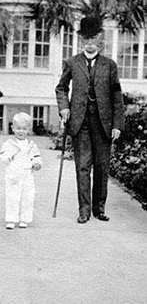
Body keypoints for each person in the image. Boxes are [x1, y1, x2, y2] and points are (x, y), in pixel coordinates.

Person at [56, 16, 125, 224]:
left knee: (102, 167)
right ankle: (84, 210)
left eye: (93, 38)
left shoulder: (109, 65)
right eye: (86, 39)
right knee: (83, 167)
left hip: (104, 124)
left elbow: (116, 96)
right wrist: (64, 108)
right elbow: (61, 88)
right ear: (81, 41)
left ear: (100, 39)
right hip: (80, 123)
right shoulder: (72, 63)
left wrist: (117, 125)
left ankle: (99, 209)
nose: (90, 43)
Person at [0, 112, 42, 229]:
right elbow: (3, 157)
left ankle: (25, 219)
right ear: (12, 128)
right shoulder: (9, 144)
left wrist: (37, 163)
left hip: (27, 174)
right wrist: (10, 155)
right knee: (12, 197)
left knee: (27, 197)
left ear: (29, 129)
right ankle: (11, 219)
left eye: (24, 129)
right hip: (13, 174)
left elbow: (36, 156)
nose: (21, 131)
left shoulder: (31, 145)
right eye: (18, 128)